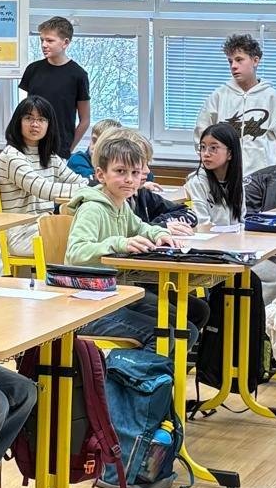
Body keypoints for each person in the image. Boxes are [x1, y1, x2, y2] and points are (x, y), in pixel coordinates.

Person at [65, 131, 194, 352]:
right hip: (88, 305)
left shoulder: (121, 204)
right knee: (161, 335)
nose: (129, 179)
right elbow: (75, 252)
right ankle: (121, 373)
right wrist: (119, 243)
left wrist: (158, 234)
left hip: (114, 294)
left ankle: (159, 373)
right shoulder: (92, 208)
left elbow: (140, 227)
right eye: (120, 171)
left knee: (186, 329)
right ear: (101, 174)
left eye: (135, 173)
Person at [182, 121, 276, 305]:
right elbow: (202, 225)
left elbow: (241, 222)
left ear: (230, 153)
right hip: (213, 253)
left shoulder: (236, 183)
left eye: (213, 148)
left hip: (234, 249)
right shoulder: (197, 182)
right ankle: (243, 314)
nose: (206, 153)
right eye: (203, 147)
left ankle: (247, 315)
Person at [193, 33, 276, 177]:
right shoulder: (218, 97)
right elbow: (201, 136)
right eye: (230, 61)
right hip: (226, 179)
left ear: (255, 61)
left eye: (239, 60)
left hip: (263, 180)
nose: (233, 66)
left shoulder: (272, 98)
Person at [0, 95, 87, 258]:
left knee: (87, 232)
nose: (35, 124)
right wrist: (89, 190)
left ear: (49, 124)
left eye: (41, 119)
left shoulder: (49, 156)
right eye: (28, 118)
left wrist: (94, 189)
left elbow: (77, 180)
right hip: (19, 235)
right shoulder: (11, 156)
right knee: (82, 240)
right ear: (18, 122)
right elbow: (43, 189)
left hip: (44, 227)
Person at [18, 15, 90, 158]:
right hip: (30, 145)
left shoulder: (78, 75)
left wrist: (68, 149)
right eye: (42, 40)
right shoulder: (33, 70)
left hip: (59, 149)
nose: (44, 45)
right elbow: (27, 109)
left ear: (65, 43)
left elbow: (85, 120)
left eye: (50, 40)